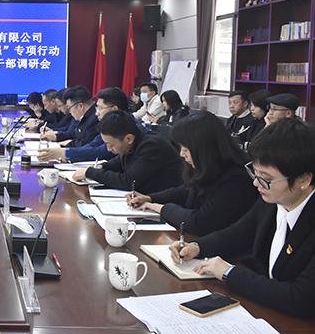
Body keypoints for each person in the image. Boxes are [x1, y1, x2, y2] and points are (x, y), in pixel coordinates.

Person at [170, 119, 315, 318]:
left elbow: (300, 298)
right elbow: (238, 233)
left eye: (266, 179)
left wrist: (229, 273)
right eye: (255, 173)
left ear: (304, 180)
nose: (256, 183)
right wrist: (197, 247)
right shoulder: (273, 201)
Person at [127, 112, 257, 235]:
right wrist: (150, 198)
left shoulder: (236, 179)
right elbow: (187, 190)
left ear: (203, 148)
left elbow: (199, 222)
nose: (181, 154)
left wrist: (158, 207)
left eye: (185, 149)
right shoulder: (209, 166)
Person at [74, 111, 182, 193]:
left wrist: (91, 173)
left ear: (129, 139)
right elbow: (118, 162)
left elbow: (128, 182)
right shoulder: (133, 140)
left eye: (110, 144)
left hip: (166, 203)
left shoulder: (152, 146)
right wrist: (102, 167)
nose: (108, 149)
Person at [39, 86, 121, 162]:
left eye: (100, 108)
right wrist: (63, 150)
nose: (97, 113)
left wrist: (65, 153)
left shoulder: (98, 121)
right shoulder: (86, 118)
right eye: (97, 108)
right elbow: (91, 144)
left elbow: (99, 151)